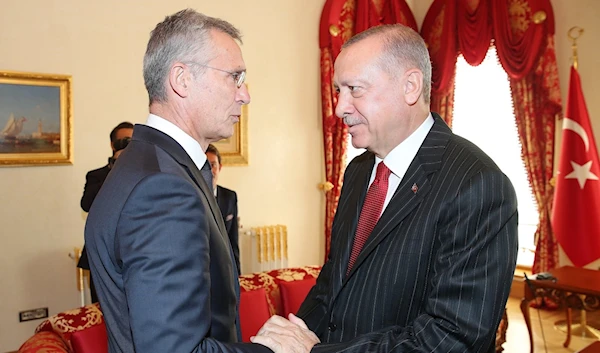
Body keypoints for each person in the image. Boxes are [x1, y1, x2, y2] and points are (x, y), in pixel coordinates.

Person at [252, 24, 518, 353]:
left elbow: (452, 337)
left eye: (354, 89)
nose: (339, 107)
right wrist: (289, 337)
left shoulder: (476, 184)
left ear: (410, 86)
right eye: (338, 90)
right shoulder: (358, 171)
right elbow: (334, 282)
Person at [84, 9, 270, 353]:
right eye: (235, 77)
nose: (245, 94)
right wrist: (274, 350)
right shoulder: (161, 189)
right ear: (181, 79)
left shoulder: (150, 164)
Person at [78, 121, 133, 303]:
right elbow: (87, 204)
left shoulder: (147, 173)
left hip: (135, 255)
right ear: (112, 144)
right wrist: (116, 169)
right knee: (101, 312)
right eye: (123, 140)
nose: (128, 144)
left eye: (132, 140)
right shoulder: (97, 176)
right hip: (103, 256)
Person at [206, 143, 240, 273]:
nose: (210, 171)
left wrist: (238, 275)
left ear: (219, 167)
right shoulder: (193, 196)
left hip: (225, 269)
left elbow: (233, 241)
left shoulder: (230, 197)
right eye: (206, 166)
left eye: (213, 165)